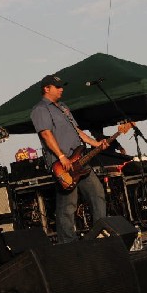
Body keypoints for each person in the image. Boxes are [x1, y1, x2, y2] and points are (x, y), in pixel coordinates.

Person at [30, 75, 108, 244]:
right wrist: (61, 156)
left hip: (79, 160)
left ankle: (100, 235)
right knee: (67, 205)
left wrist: (96, 143)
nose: (61, 89)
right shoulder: (40, 109)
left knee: (97, 194)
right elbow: (45, 133)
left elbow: (77, 130)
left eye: (61, 86)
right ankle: (68, 243)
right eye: (57, 87)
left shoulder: (63, 107)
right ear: (46, 88)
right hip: (63, 164)